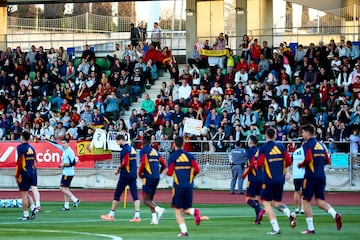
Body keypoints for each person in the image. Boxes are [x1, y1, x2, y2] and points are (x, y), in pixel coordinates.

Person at [298, 124, 342, 234]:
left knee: (306, 201)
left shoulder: (307, 144)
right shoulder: (320, 145)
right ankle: (335, 214)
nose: (302, 134)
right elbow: (328, 160)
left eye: (303, 132)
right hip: (321, 176)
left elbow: (308, 158)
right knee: (319, 202)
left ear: (308, 133)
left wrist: (301, 164)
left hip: (310, 176)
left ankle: (310, 228)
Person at [256, 128, 295, 235]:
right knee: (275, 202)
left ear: (265, 136)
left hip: (269, 179)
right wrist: (285, 172)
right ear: (275, 136)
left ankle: (276, 228)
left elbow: (259, 164)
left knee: (265, 202)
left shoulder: (263, 148)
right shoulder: (281, 146)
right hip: (280, 179)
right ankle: (289, 213)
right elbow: (288, 161)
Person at [166, 136, 202, 237]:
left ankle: (184, 231)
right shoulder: (190, 156)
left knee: (178, 211)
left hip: (178, 187)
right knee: (186, 209)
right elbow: (197, 169)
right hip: (189, 186)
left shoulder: (173, 157)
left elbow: (169, 173)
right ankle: (194, 211)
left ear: (174, 144)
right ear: (184, 144)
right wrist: (191, 176)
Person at [101, 134, 141, 222]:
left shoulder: (125, 149)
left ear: (120, 140)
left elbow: (125, 162)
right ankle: (137, 216)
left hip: (125, 175)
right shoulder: (132, 148)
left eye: (117, 141)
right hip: (133, 174)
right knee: (135, 195)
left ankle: (111, 214)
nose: (117, 143)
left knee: (117, 194)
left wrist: (119, 169)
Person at [138, 136, 167, 224]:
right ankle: (154, 219)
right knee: (150, 199)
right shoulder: (156, 152)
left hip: (148, 177)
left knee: (145, 200)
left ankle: (159, 209)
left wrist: (139, 174)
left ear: (143, 142)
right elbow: (164, 164)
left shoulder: (144, 151)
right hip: (156, 177)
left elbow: (143, 163)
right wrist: (159, 173)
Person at [15, 131, 41, 220]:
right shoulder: (32, 148)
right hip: (33, 171)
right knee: (31, 190)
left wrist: (17, 174)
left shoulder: (19, 148)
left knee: (23, 194)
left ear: (22, 137)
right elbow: (35, 161)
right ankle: (35, 207)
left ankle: (26, 215)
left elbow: (18, 162)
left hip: (24, 172)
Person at [241, 135, 265, 224]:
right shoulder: (259, 150)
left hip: (253, 177)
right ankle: (257, 220)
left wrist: (244, 174)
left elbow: (251, 164)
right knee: (256, 199)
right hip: (261, 177)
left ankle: (260, 210)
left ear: (250, 142)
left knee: (248, 199)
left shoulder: (250, 151)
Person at [59, 138, 81, 211]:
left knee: (62, 188)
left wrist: (64, 165)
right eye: (62, 143)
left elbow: (73, 163)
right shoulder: (65, 151)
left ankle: (75, 200)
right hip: (66, 172)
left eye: (64, 143)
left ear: (68, 143)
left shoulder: (70, 151)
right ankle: (66, 206)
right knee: (66, 189)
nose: (63, 144)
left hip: (68, 173)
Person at [291, 144, 305, 214]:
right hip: (303, 174)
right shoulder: (306, 151)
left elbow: (291, 162)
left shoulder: (295, 152)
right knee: (304, 192)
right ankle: (303, 208)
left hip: (296, 175)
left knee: (296, 191)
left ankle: (296, 208)